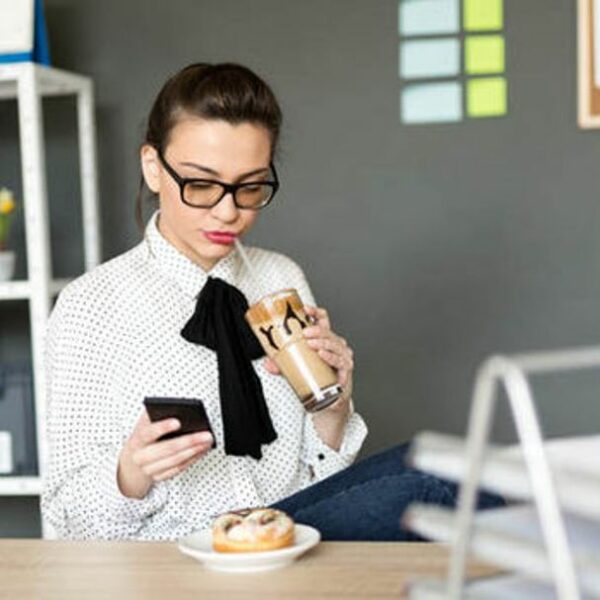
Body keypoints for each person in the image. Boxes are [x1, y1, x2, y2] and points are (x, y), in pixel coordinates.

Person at [42, 63, 496, 541]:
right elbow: (68, 518)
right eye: (200, 183)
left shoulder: (279, 277)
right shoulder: (90, 305)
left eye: (251, 186)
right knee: (436, 486)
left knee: (466, 468)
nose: (228, 211)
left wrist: (331, 407)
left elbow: (322, 481)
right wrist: (132, 473)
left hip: (287, 534)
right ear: (153, 168)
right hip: (181, 556)